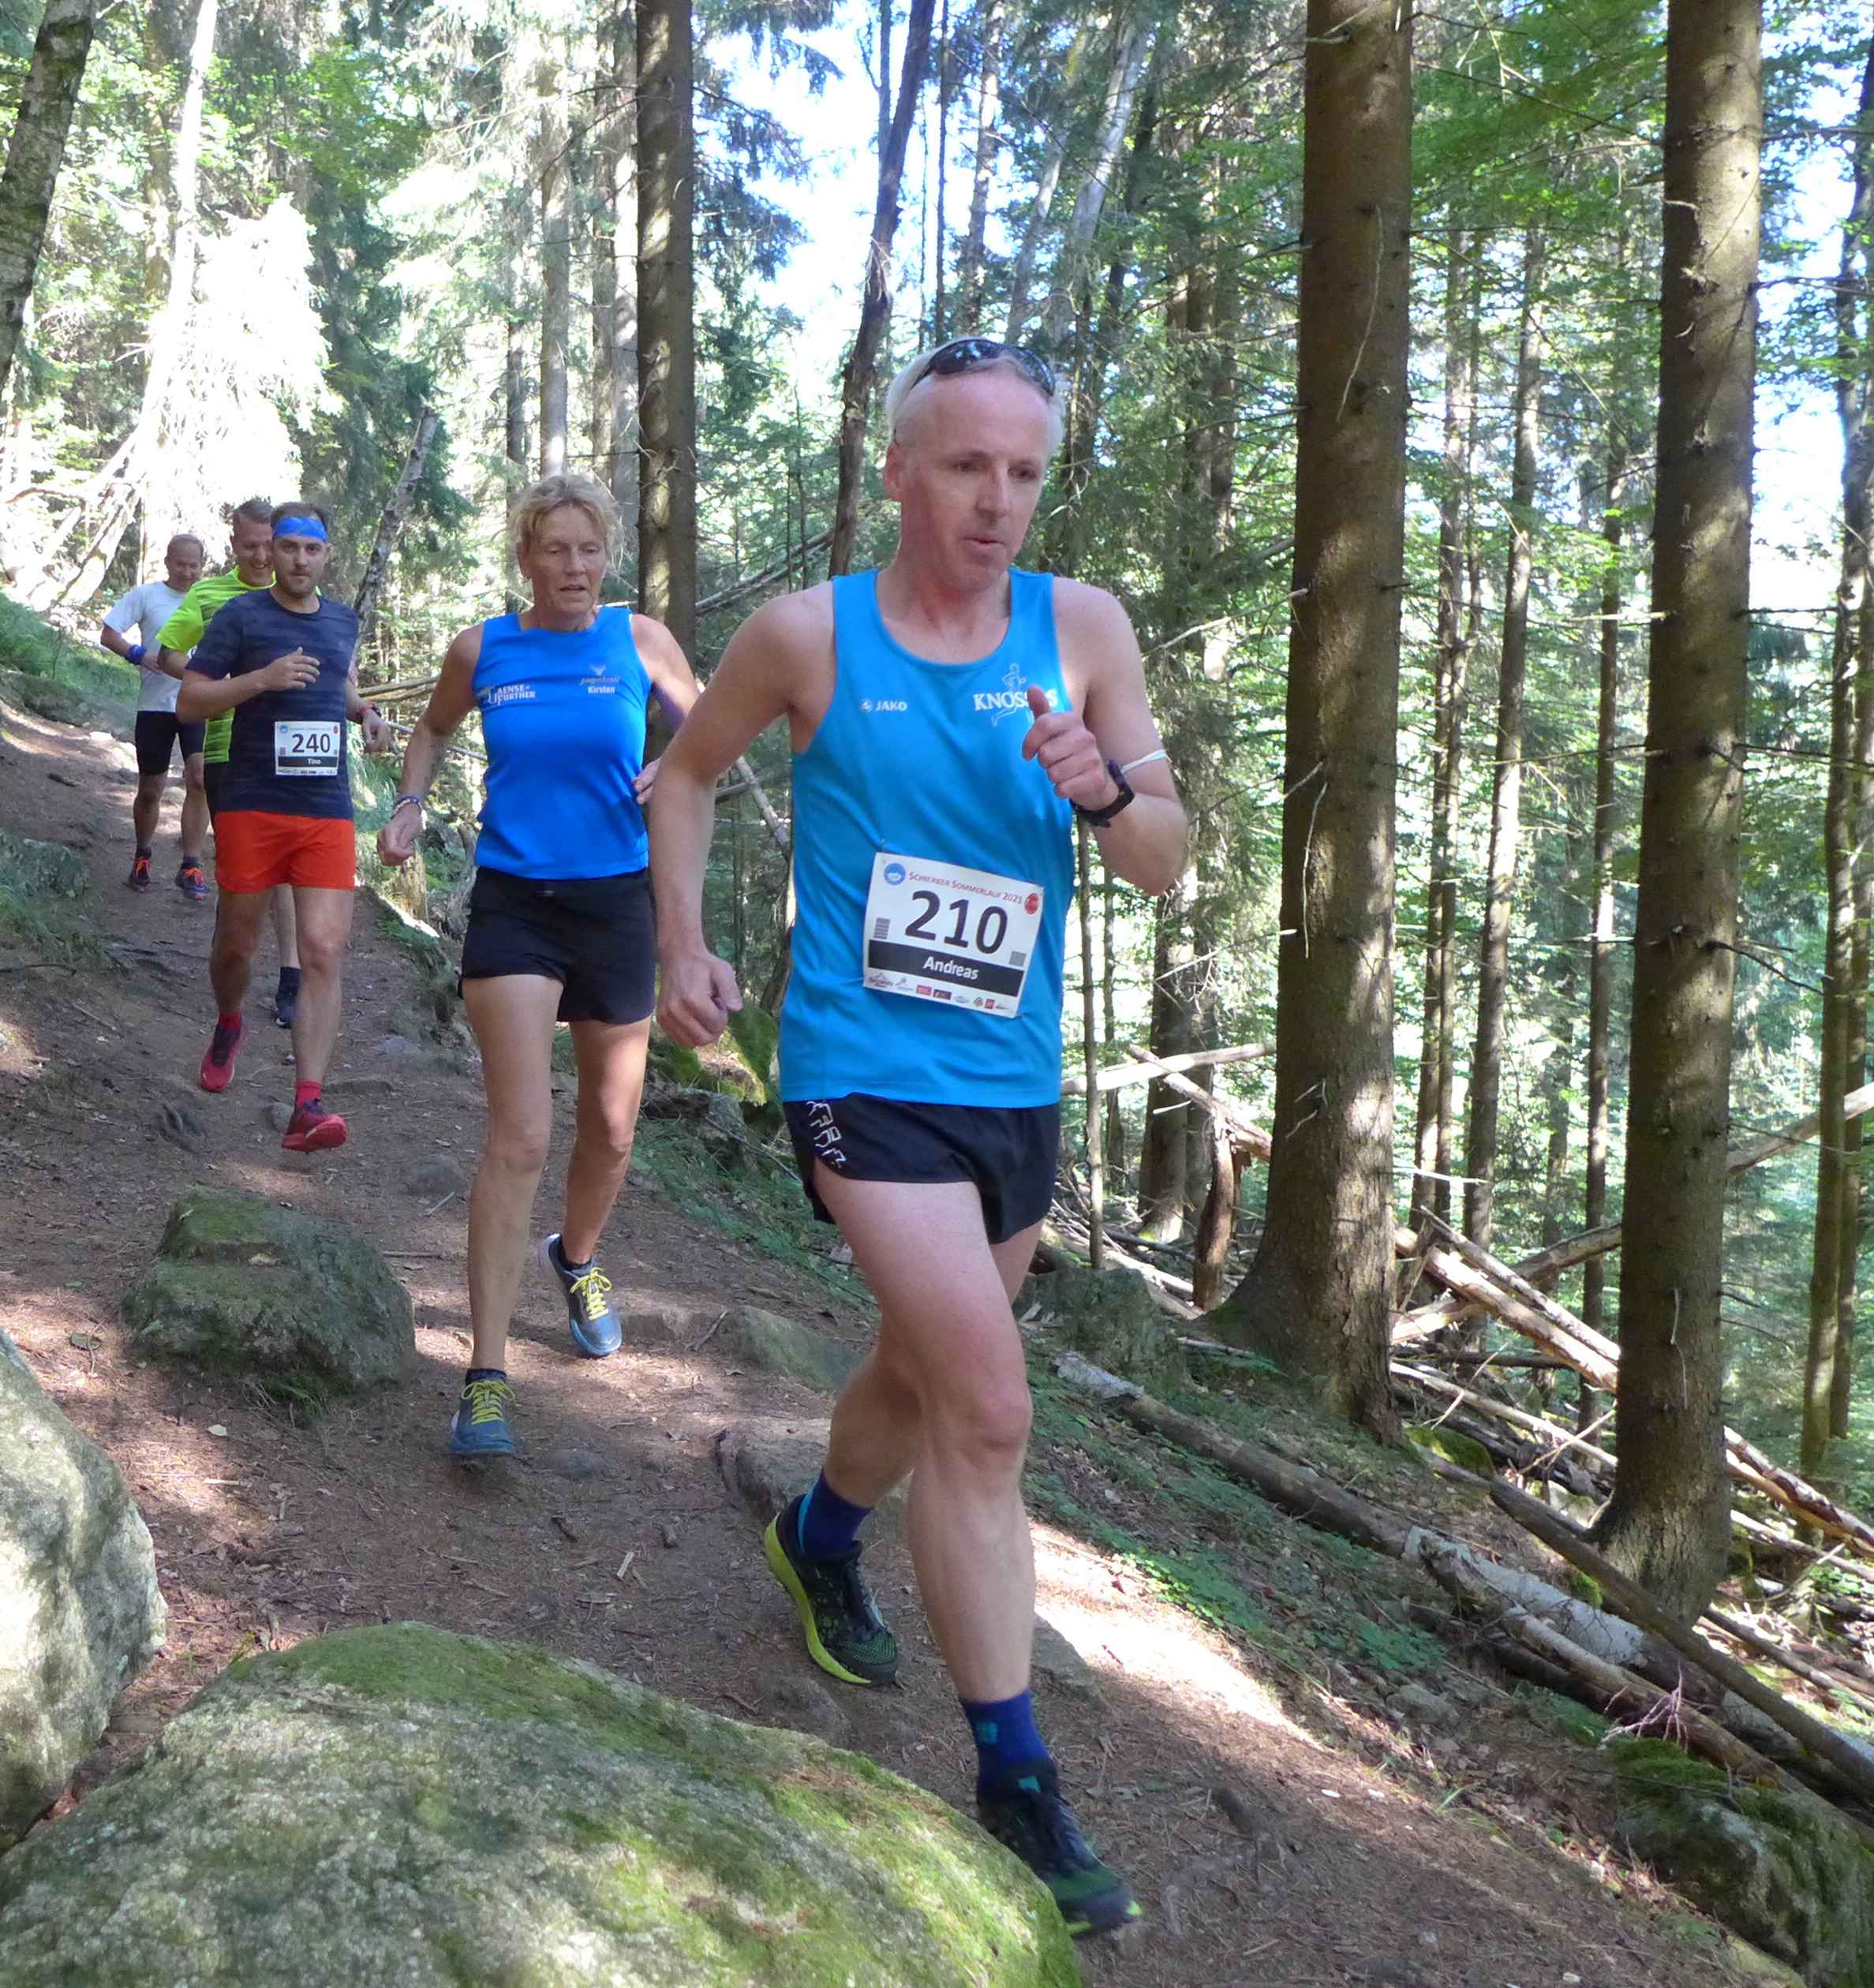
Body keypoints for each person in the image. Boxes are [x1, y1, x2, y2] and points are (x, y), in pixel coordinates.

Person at [645, 337, 1189, 1937]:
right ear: (898, 473)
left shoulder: (1083, 630)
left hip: (1011, 1081)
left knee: (919, 1367)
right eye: (966, 466)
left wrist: (1106, 793)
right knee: (990, 1407)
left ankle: (820, 1533)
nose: (997, 500)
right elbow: (684, 776)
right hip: (857, 1065)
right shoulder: (806, 636)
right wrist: (682, 944)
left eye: (1023, 472)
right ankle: (1015, 1777)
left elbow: (1165, 857)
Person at [379, 473, 702, 1466]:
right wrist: (407, 802)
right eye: (554, 549)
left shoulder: (638, 640)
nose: (573, 567)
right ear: (524, 557)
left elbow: (709, 727)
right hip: (516, 902)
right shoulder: (483, 648)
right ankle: (483, 1378)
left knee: (610, 1128)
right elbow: (433, 728)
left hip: (616, 905)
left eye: (588, 549)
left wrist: (676, 764)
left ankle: (577, 1256)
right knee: (520, 1135)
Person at [179, 501, 394, 1149]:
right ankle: (229, 1020)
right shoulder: (241, 616)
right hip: (252, 800)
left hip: (325, 807)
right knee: (237, 945)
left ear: (327, 555)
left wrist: (367, 714)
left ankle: (308, 1104)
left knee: (324, 950)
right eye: (289, 548)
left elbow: (337, 689)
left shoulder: (342, 621)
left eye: (312, 549)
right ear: (271, 551)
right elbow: (191, 698)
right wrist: (261, 680)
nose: (301, 560)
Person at [161, 502, 303, 1027]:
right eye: (250, 546)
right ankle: (230, 968)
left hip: (287, 751)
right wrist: (215, 682)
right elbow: (168, 652)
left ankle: (291, 978)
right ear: (233, 545)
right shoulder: (209, 595)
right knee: (241, 871)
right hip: (226, 748)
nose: (262, 556)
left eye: (269, 545)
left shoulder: (299, 595)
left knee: (285, 869)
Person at [99, 532, 211, 899]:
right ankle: (143, 855)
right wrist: (138, 654)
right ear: (167, 562)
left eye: (194, 565)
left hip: (198, 702)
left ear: (202, 566)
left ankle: (191, 864)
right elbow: (109, 633)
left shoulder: (210, 598)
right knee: (151, 788)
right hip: (155, 705)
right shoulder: (146, 595)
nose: (187, 572)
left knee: (200, 779)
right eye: (180, 564)